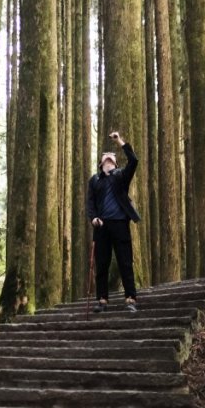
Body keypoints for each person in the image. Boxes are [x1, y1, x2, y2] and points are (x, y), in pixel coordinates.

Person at [86, 130, 140, 313]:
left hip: (120, 224)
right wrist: (93, 218)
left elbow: (134, 161)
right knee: (102, 264)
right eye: (105, 159)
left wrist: (120, 142)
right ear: (101, 164)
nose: (108, 161)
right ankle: (102, 300)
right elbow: (90, 202)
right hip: (101, 227)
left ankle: (130, 298)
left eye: (111, 159)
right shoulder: (94, 181)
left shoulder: (121, 177)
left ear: (115, 164)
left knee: (125, 261)